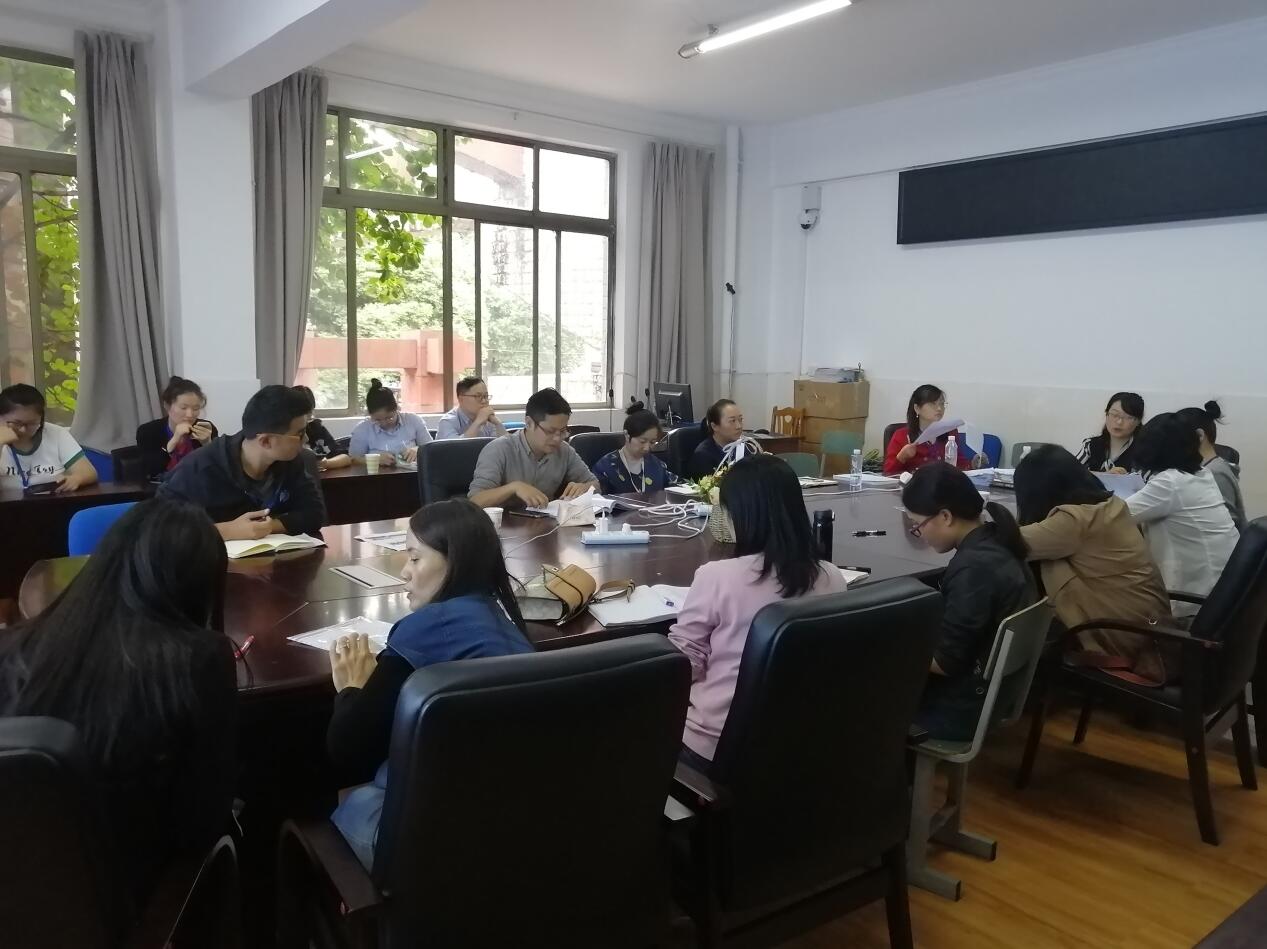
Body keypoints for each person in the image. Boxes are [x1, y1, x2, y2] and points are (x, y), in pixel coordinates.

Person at [0, 499, 237, 911]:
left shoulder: (14, 649)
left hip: (24, 901)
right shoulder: (199, 660)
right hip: (138, 905)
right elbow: (203, 824)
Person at [325, 498, 534, 867]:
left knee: (347, 801)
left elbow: (348, 751)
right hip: (512, 826)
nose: (404, 572)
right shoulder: (505, 624)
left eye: (414, 558)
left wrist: (352, 690)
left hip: (427, 843)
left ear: (455, 562)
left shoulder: (425, 628)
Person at [668, 454, 848, 762]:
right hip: (802, 739)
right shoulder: (832, 576)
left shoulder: (717, 577)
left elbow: (683, 666)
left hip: (717, 744)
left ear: (741, 515)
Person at [1015, 444, 1173, 684]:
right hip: (1149, 629)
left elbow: (1009, 542)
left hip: (1123, 638)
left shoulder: (1074, 522)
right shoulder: (1111, 505)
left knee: (1045, 563)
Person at [901, 463, 1033, 740]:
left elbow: (945, 662)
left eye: (918, 525)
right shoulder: (997, 540)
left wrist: (887, 644)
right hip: (994, 694)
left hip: (960, 709)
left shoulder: (975, 569)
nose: (919, 533)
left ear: (945, 516)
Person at [158, 385, 326, 540]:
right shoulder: (199, 468)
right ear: (265, 441)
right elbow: (161, 528)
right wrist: (227, 531)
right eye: (300, 434)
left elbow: (314, 514)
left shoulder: (291, 461)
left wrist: (268, 527)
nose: (306, 439)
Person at [1125, 413, 1239, 619]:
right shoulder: (1200, 473)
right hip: (1222, 595)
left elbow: (1114, 515)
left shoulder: (1171, 482)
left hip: (1193, 604)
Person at [468, 387, 598, 509]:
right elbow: (475, 501)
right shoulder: (498, 450)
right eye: (550, 431)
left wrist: (584, 488)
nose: (557, 438)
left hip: (546, 522)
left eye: (563, 431)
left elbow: (595, 484)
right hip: (503, 524)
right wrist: (514, 488)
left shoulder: (564, 451)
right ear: (529, 423)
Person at [0, 383, 97, 493]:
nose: (23, 430)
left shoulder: (56, 433)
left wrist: (76, 479)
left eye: (31, 423)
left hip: (53, 500)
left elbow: (89, 472)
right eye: (16, 423)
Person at [1176, 401, 1246, 532]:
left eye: (1176, 436)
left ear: (1200, 435)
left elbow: (1228, 525)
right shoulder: (1203, 468)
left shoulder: (1216, 473)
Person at [883, 384, 982, 476]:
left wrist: (972, 464)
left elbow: (959, 465)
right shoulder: (901, 435)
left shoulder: (950, 432)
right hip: (914, 487)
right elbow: (888, 473)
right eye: (932, 404)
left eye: (942, 404)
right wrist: (902, 457)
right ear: (917, 408)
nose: (939, 408)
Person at [135, 376, 218, 480]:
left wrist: (208, 444)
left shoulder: (206, 428)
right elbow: (150, 470)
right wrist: (173, 441)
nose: (189, 414)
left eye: (196, 408)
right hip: (163, 487)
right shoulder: (148, 431)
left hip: (199, 486)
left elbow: (217, 472)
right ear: (167, 406)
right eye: (183, 408)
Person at [592, 407, 678, 495]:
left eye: (652, 442)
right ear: (627, 435)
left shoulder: (656, 465)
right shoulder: (606, 467)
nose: (647, 448)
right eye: (642, 441)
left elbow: (678, 486)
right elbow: (594, 497)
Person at [348, 379, 432, 466]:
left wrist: (418, 450)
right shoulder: (362, 429)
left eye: (389, 418)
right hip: (378, 474)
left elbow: (432, 448)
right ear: (370, 414)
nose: (384, 423)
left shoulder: (413, 420)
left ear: (397, 409)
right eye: (377, 420)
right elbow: (352, 460)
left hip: (412, 473)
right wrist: (375, 459)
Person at [688, 399, 761, 481]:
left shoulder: (748, 449)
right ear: (714, 426)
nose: (739, 426)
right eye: (732, 421)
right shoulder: (703, 456)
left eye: (740, 419)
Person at [1076, 391, 1144, 473]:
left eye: (1127, 417)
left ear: (1138, 421)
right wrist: (1106, 476)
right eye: (1115, 415)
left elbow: (1150, 480)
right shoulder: (1090, 445)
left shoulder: (1144, 450)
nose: (1119, 422)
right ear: (1107, 414)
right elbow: (1070, 473)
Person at [293, 384, 352, 472]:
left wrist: (325, 463)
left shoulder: (316, 428)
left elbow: (345, 458)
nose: (307, 418)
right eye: (302, 413)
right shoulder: (286, 433)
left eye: (309, 413)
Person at [435, 376, 508, 440]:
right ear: (461, 399)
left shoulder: (489, 421)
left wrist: (498, 423)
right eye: (478, 396)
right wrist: (478, 422)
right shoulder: (447, 422)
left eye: (486, 396)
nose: (484, 401)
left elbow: (507, 447)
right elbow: (456, 448)